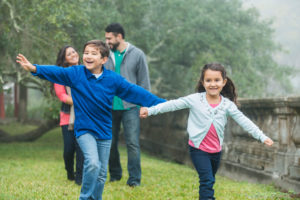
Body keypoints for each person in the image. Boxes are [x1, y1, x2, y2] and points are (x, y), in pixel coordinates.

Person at [16, 40, 165, 200]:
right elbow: (57, 72)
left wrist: (163, 104)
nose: (87, 56)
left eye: (93, 53)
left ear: (103, 59)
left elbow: (134, 91)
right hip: (84, 129)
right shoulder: (76, 73)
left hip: (104, 132)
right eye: (86, 52)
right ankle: (84, 197)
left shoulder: (113, 79)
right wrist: (35, 68)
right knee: (93, 163)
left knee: (101, 174)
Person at [140, 63, 274, 200]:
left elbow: (244, 121)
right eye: (208, 80)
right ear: (203, 82)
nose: (213, 84)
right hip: (198, 149)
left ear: (224, 82)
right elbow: (172, 104)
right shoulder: (195, 100)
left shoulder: (227, 105)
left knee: (209, 180)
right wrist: (150, 110)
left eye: (217, 80)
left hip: (216, 151)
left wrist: (261, 136)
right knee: (207, 181)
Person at [104, 23, 150, 186]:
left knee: (132, 143)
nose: (107, 41)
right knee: (109, 142)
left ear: (119, 36)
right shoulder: (105, 54)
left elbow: (144, 82)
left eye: (109, 38)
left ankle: (134, 179)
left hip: (131, 106)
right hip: (108, 107)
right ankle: (115, 175)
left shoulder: (137, 54)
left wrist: (144, 105)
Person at [54, 45, 84, 185]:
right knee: (68, 149)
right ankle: (70, 173)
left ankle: (80, 178)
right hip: (67, 117)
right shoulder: (61, 75)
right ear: (64, 59)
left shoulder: (86, 71)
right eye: (69, 54)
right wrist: (83, 102)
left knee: (81, 149)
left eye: (74, 51)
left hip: (84, 116)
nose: (73, 54)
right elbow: (62, 96)